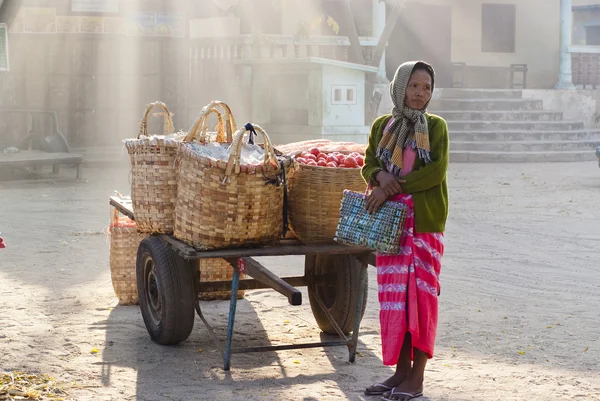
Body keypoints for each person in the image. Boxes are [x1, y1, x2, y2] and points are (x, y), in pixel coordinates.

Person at [361, 61, 449, 401]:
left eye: (426, 87)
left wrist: (389, 188)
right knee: (395, 300)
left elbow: (435, 173)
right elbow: (369, 162)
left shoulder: (436, 127)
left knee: (421, 299)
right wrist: (379, 178)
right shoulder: (383, 126)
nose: (420, 93)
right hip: (391, 226)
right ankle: (399, 373)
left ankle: (417, 377)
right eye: (414, 85)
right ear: (400, 87)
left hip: (424, 225)